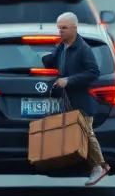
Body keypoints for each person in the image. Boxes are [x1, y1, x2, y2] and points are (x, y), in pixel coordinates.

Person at [43, 12, 109, 186]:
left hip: (81, 101)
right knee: (76, 135)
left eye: (64, 28)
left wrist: (69, 80)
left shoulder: (83, 49)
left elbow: (93, 72)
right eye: (59, 28)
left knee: (86, 132)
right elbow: (53, 62)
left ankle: (100, 166)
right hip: (67, 102)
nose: (61, 31)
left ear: (74, 28)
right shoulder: (62, 46)